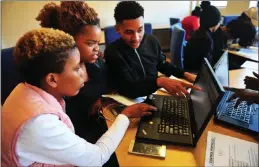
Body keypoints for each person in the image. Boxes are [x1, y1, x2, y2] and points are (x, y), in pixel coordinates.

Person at [1, 28, 156, 166]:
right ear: (52, 79)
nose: (83, 74)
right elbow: (97, 157)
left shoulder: (22, 90)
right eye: (77, 68)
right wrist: (125, 115)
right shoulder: (39, 123)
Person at [36, 2, 118, 166]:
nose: (96, 48)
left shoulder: (95, 63)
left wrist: (101, 99)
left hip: (103, 126)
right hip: (79, 144)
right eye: (90, 43)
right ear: (68, 41)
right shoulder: (57, 78)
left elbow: (107, 86)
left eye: (97, 42)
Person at [104, 1, 200, 99]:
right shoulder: (113, 52)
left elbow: (161, 64)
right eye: (129, 32)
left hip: (153, 95)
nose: (136, 38)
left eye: (140, 30)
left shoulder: (151, 40)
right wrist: (159, 81)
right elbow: (128, 87)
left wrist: (184, 74)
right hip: (129, 101)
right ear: (117, 29)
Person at [183, 2, 221, 71]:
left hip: (189, 70)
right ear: (216, 22)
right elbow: (206, 66)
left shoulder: (199, 32)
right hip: (196, 74)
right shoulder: (206, 39)